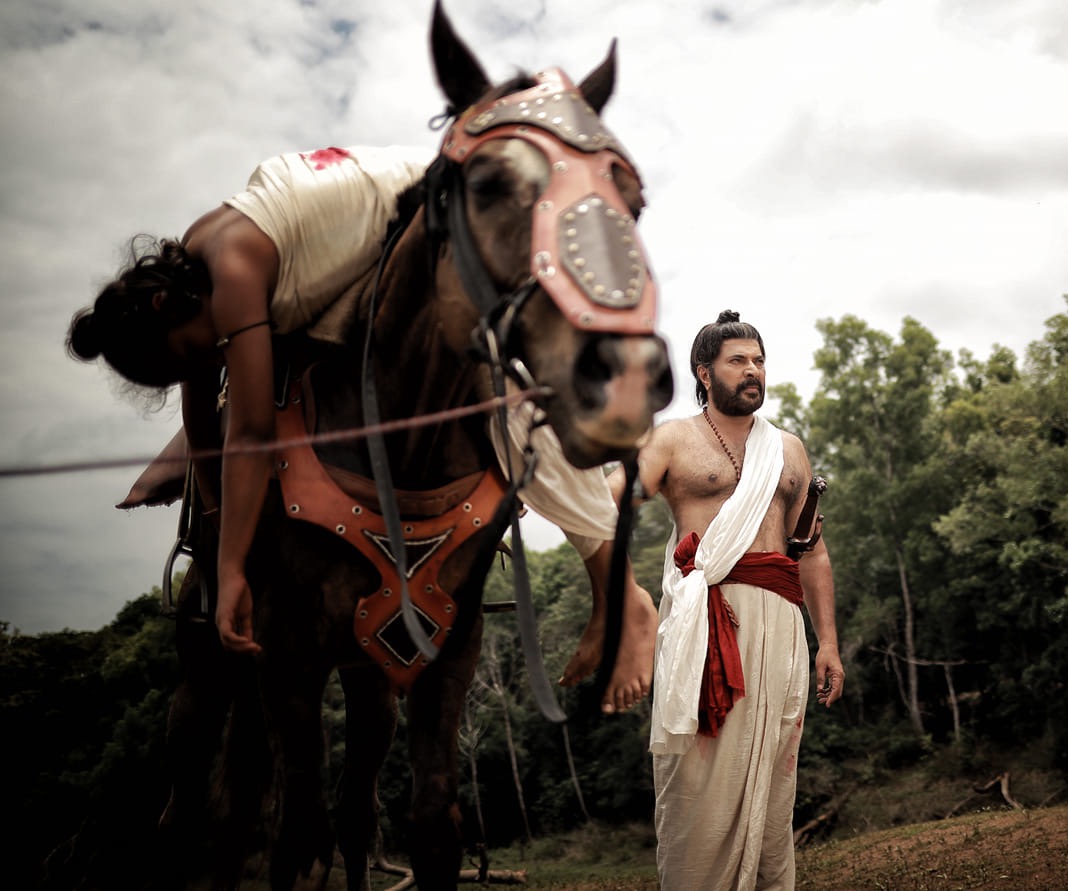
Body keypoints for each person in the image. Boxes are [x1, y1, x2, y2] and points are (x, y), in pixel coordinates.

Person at [66, 144, 655, 714]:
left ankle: (622, 597)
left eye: (195, 351)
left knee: (506, 403)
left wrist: (232, 572)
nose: (203, 361)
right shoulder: (197, 260)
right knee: (247, 367)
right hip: (350, 255)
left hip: (438, 226)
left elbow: (249, 434)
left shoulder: (234, 266)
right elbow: (203, 405)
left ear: (164, 303)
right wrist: (218, 527)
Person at [610, 310, 845, 890]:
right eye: (738, 360)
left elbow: (812, 552)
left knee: (772, 772)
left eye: (759, 360)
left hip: (784, 626)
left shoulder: (788, 450)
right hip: (707, 624)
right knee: (700, 776)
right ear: (704, 371)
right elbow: (607, 504)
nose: (753, 371)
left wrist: (829, 645)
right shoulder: (672, 439)